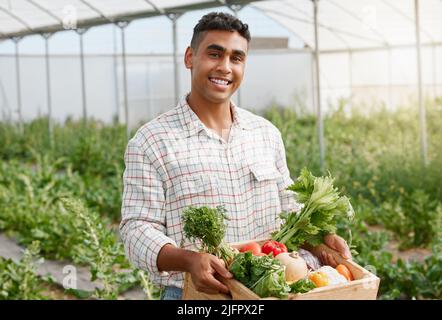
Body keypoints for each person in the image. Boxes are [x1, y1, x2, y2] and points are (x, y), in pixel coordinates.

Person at [120, 12, 351, 300]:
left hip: (273, 291)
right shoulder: (152, 141)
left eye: (236, 58)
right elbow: (136, 229)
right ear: (190, 57)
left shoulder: (265, 134)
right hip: (196, 296)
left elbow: (288, 209)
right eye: (214, 54)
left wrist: (321, 242)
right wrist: (190, 260)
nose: (225, 67)